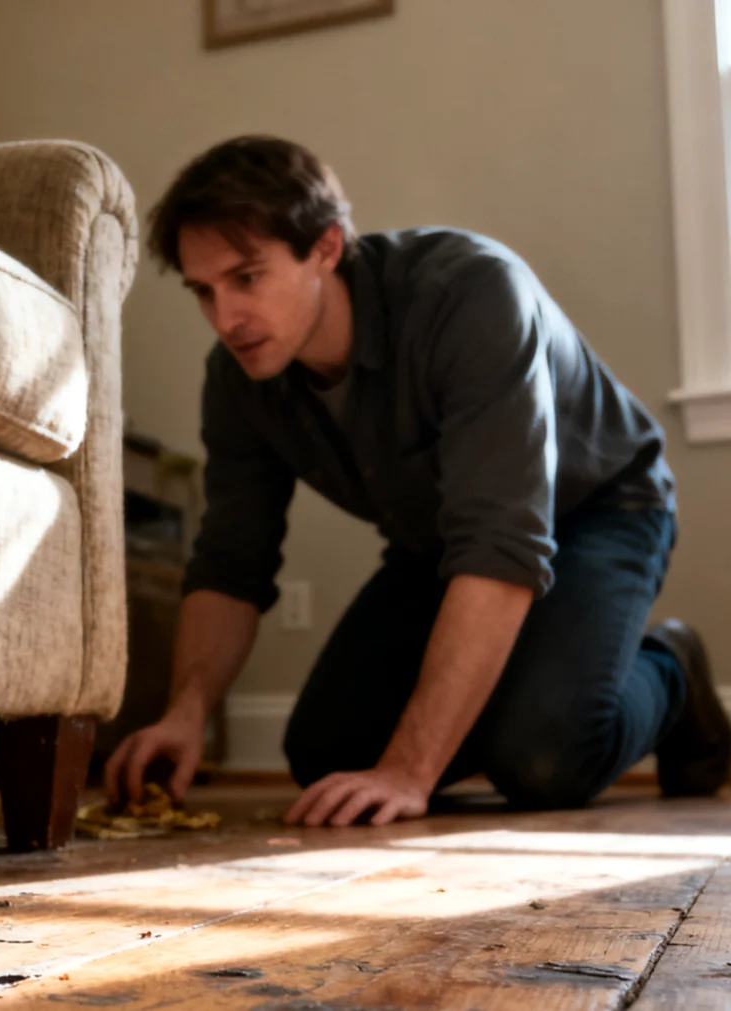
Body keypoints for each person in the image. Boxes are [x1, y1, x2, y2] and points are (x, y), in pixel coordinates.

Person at [104, 135, 730, 827]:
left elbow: (501, 540)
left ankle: (672, 664)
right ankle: (537, 684)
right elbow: (230, 561)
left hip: (600, 508)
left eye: (246, 278)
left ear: (327, 248)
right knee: (325, 754)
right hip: (438, 544)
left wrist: (411, 769)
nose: (226, 319)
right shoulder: (238, 379)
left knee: (544, 761)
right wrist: (185, 713)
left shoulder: (473, 294)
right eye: (204, 291)